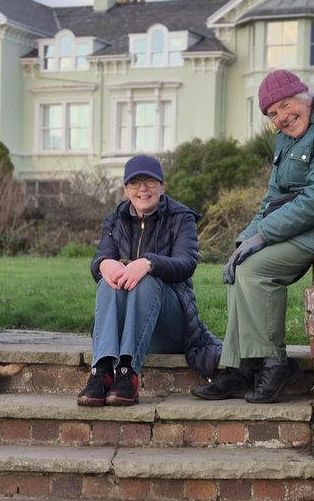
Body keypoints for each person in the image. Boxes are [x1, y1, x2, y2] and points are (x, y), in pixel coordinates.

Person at [192, 70, 314, 404]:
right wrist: (245, 240)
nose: (282, 117)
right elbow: (273, 199)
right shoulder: (286, 138)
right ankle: (241, 366)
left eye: (286, 105)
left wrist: (264, 236)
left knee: (256, 269)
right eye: (272, 114)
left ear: (305, 97)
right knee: (241, 265)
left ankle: (276, 364)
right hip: (305, 222)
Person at [78, 155, 222, 406]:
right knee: (108, 281)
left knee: (147, 281)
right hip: (125, 330)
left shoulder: (181, 217)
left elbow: (186, 263)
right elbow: (102, 256)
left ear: (162, 187)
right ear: (126, 190)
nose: (142, 188)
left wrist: (148, 263)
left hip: (168, 326)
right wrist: (103, 264)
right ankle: (101, 372)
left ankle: (127, 374)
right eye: (135, 182)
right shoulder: (115, 220)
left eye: (150, 181)